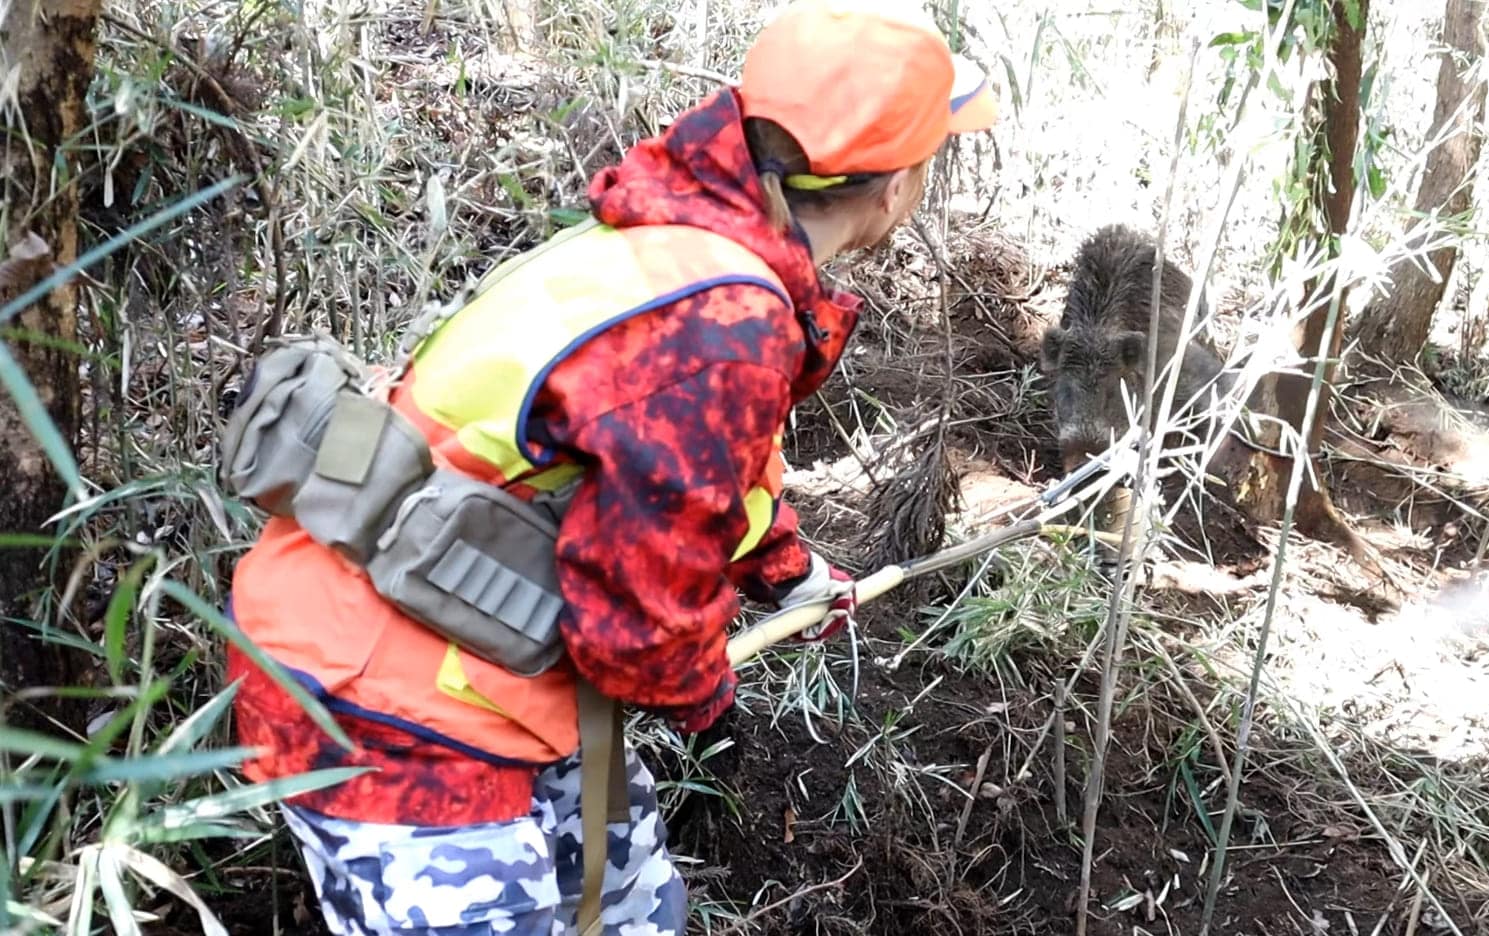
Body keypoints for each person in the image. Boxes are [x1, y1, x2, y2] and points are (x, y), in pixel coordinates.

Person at [221, 1, 998, 933]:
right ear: (900, 186)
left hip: (495, 657)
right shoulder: (723, 323)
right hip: (387, 702)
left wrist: (791, 578)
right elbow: (639, 625)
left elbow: (691, 481)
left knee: (636, 914)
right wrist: (711, 699)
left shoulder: (687, 245)